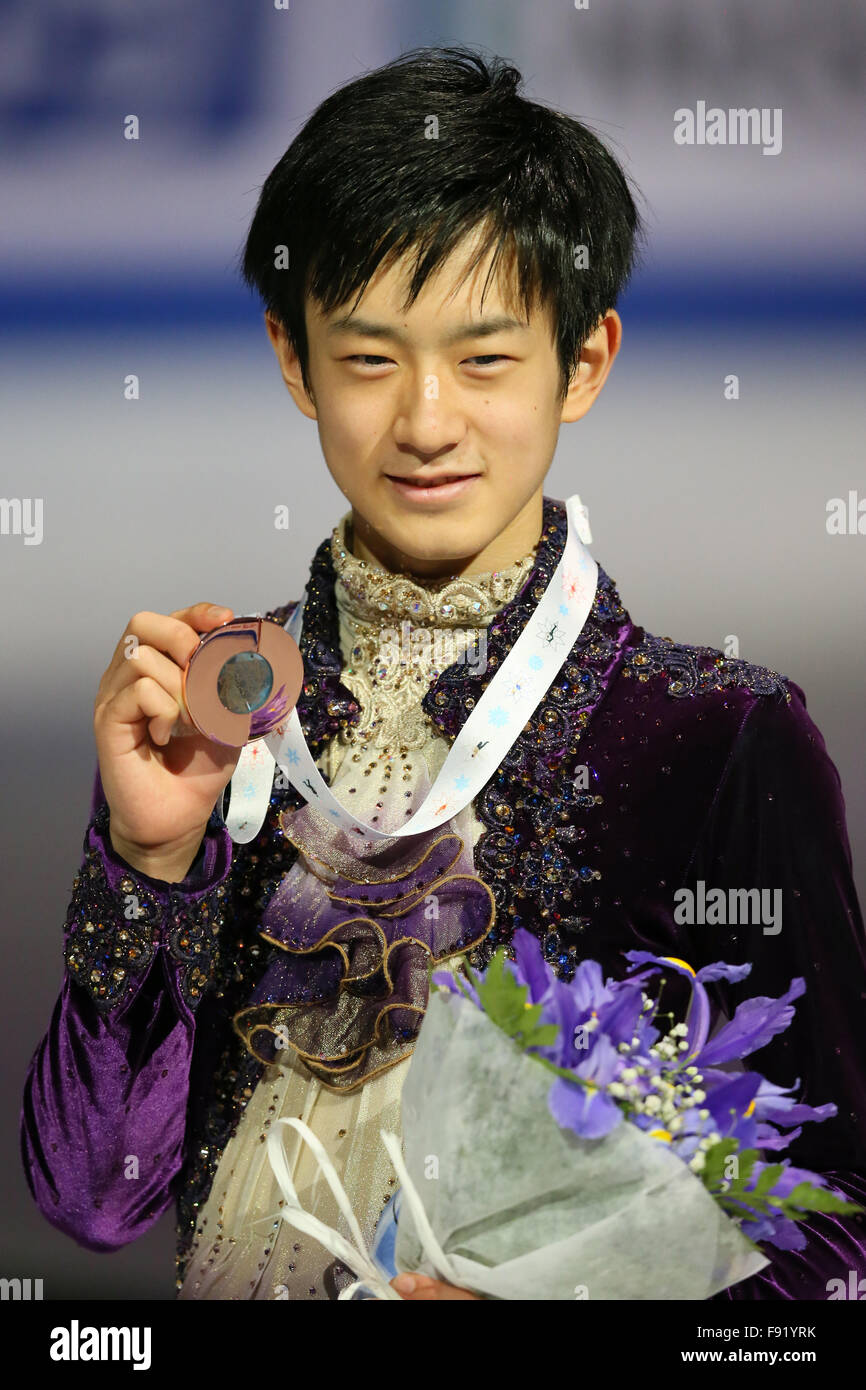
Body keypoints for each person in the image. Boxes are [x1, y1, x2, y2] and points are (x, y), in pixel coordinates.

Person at [20, 45, 866, 1302]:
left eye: (483, 359)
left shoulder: (713, 738)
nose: (424, 421)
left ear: (583, 363)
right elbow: (95, 1201)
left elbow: (831, 1246)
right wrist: (144, 867)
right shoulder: (212, 720)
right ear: (291, 359)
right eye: (367, 359)